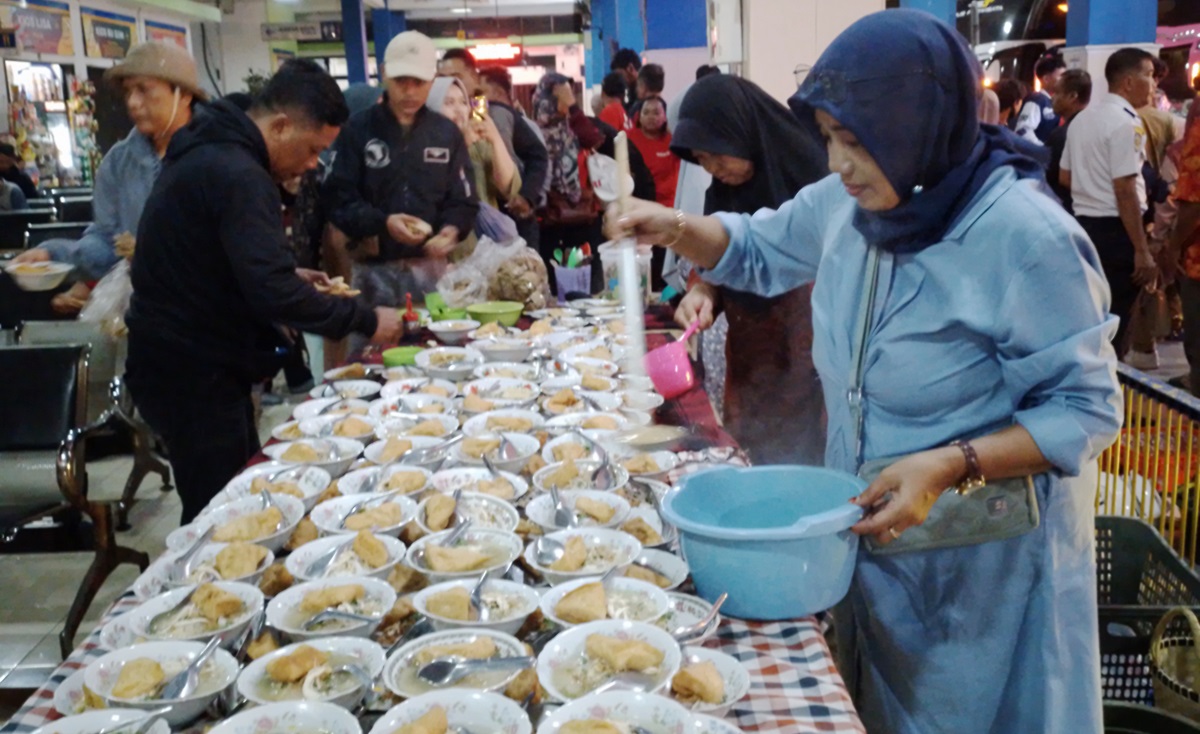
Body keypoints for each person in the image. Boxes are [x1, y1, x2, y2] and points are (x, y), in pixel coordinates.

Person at [613, 11, 1120, 732]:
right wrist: (672, 226)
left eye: (856, 141)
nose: (838, 164)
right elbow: (759, 245)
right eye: (827, 140)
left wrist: (951, 463)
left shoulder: (1023, 236)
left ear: (920, 124)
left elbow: (1086, 409)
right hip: (883, 551)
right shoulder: (853, 207)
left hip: (987, 578)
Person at [125, 60, 402, 524]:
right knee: (220, 516)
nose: (313, 164)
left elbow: (226, 262)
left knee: (238, 492)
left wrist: (288, 273)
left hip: (187, 361)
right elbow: (271, 292)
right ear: (280, 125)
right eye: (314, 150)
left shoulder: (217, 152)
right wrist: (368, 321)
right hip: (190, 370)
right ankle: (211, 591)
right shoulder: (238, 172)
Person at [669, 72, 828, 466]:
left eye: (715, 154)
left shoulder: (817, 179)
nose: (712, 168)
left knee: (806, 468)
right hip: (752, 362)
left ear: (739, 132)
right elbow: (721, 258)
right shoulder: (722, 193)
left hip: (812, 363)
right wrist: (704, 290)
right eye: (702, 161)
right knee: (754, 457)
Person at [13, 41, 203, 312]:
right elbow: (106, 241)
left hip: (209, 320)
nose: (133, 103)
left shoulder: (216, 156)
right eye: (128, 92)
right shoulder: (119, 162)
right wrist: (53, 254)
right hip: (147, 316)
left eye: (144, 90)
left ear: (183, 95)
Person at [323, 30, 478, 353]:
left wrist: (451, 230)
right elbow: (338, 200)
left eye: (418, 82)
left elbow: (464, 199)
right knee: (369, 363)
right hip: (371, 272)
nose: (409, 91)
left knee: (437, 355)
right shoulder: (357, 130)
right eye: (400, 80)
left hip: (430, 273)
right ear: (383, 74)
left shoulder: (445, 132)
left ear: (432, 79)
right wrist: (382, 222)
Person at [1061, 47, 1159, 358]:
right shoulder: (1126, 123)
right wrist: (1142, 251)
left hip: (1083, 229)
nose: (1153, 85)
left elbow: (1065, 176)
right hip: (1118, 234)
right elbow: (1125, 189)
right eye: (1150, 76)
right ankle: (1112, 395)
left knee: (1088, 319)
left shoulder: (1081, 120)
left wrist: (1091, 189)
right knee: (1117, 326)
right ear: (1128, 82)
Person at [534, 73, 605, 275]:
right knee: (554, 278)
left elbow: (593, 138)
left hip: (581, 215)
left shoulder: (574, 126)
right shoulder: (534, 130)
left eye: (570, 94)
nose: (566, 100)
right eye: (562, 95)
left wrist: (573, 107)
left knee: (586, 276)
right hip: (549, 218)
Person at [478, 65, 549, 248]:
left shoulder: (511, 120)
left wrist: (526, 196)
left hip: (516, 218)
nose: (475, 98)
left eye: (480, 92)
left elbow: (539, 157)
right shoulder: (477, 121)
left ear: (498, 93)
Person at [427, 76, 520, 211]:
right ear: (432, 107)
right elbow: (434, 191)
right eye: (449, 103)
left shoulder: (478, 143)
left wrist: (495, 139)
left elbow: (510, 190)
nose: (459, 110)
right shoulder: (423, 145)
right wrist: (463, 146)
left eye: (463, 102)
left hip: (483, 230)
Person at [1046, 69, 1092, 214]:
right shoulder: (1096, 127)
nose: (1052, 98)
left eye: (1057, 93)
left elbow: (1052, 177)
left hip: (1066, 210)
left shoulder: (1062, 136)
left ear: (1072, 96)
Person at [627, 96, 679, 209]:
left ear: (665, 116)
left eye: (656, 113)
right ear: (639, 117)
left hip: (669, 207)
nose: (651, 117)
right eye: (646, 112)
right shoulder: (628, 138)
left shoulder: (674, 141)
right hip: (638, 205)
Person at [1014, 56, 1066, 143]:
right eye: (1061, 76)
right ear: (1046, 79)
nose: (1064, 80)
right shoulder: (1036, 101)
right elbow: (1023, 131)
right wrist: (1041, 149)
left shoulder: (1054, 102)